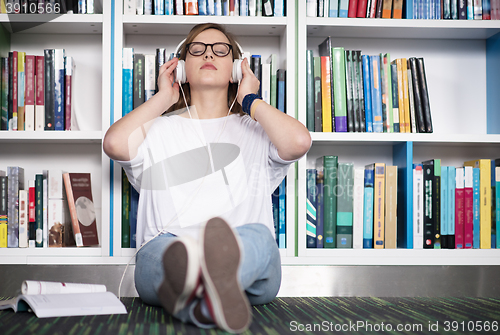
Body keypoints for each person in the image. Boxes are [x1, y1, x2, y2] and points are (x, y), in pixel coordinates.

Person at [103, 22, 311, 333]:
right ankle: (212, 293)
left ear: (236, 69)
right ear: (182, 67)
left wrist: (250, 99)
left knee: (260, 239)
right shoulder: (157, 130)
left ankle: (199, 291)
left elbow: (299, 142)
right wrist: (163, 97)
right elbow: (114, 144)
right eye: (196, 49)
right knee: (166, 257)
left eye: (220, 49)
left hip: (246, 257)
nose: (208, 54)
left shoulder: (257, 130)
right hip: (167, 250)